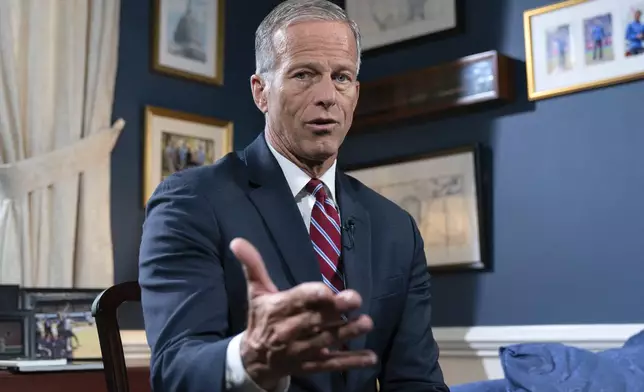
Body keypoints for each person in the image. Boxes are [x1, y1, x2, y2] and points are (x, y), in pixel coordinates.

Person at [138, 1, 449, 391]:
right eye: (304, 74)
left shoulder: (396, 227)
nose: (327, 96)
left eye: (342, 77)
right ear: (261, 92)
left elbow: (417, 381)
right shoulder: (190, 202)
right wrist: (249, 358)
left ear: (355, 92)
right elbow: (175, 371)